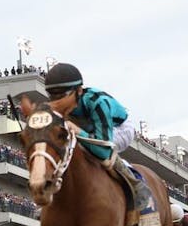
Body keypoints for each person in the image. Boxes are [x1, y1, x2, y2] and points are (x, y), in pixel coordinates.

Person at [42, 63, 149, 209]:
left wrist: (77, 131)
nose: (57, 102)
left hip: (119, 128)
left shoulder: (98, 102)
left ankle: (134, 184)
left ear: (79, 91)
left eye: (62, 96)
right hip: (90, 127)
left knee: (96, 153)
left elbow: (103, 148)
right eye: (52, 96)